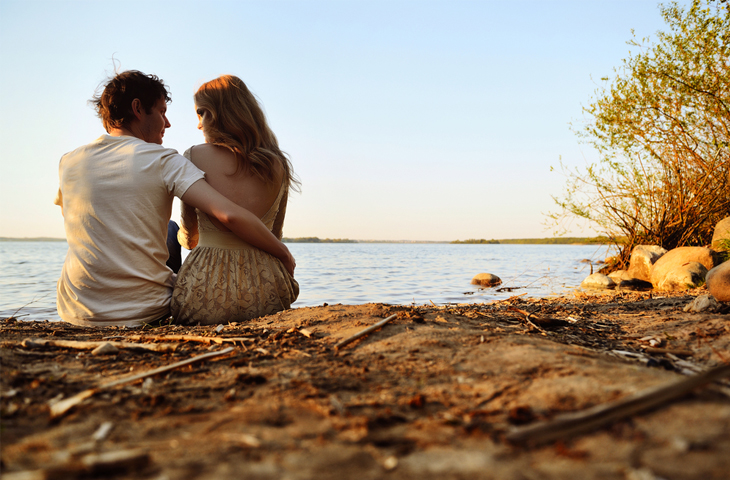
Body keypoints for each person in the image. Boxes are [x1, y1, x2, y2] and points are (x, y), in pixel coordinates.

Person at [55, 70, 295, 327]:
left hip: (74, 312)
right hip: (145, 312)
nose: (167, 123)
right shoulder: (164, 160)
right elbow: (228, 214)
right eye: (161, 112)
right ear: (138, 109)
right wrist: (284, 254)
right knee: (169, 230)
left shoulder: (69, 161)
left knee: (167, 230)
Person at [171, 75, 299, 324]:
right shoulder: (278, 163)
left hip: (204, 293)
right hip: (267, 291)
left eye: (202, 113)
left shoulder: (193, 156)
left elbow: (189, 238)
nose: (199, 125)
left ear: (217, 115)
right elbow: (273, 235)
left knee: (171, 232)